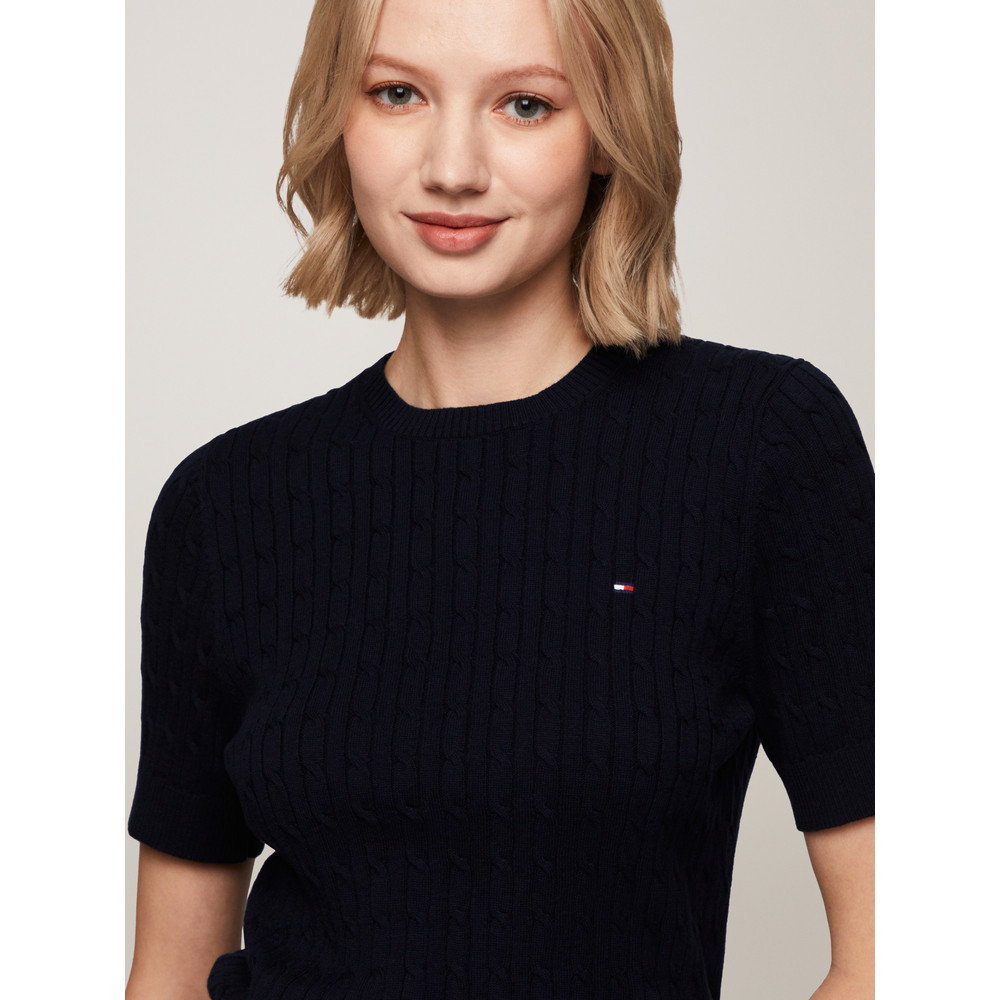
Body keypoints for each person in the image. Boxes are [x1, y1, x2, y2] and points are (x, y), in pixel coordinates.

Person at [125, 0, 875, 997]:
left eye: (525, 104)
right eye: (398, 93)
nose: (452, 167)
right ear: (338, 116)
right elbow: (169, 975)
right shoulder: (224, 507)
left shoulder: (761, 446)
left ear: (608, 131)